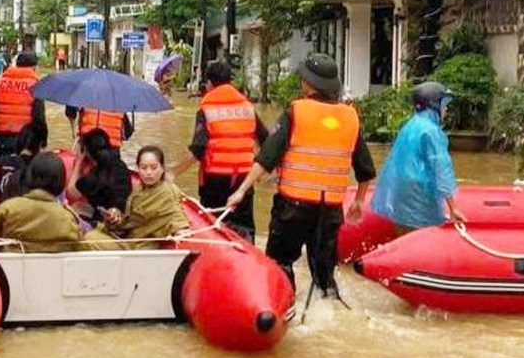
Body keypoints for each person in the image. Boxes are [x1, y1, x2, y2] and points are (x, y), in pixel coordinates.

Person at [226, 53, 376, 297]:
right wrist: (359, 201)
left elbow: (267, 158)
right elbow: (365, 170)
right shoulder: (350, 118)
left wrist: (241, 190)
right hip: (330, 211)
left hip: (293, 208)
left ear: (309, 84)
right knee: (324, 275)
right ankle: (327, 305)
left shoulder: (295, 112)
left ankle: (283, 306)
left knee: (279, 263)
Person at [169, 60, 269, 243]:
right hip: (244, 180)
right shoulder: (247, 107)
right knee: (244, 231)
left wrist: (173, 172)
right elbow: (266, 141)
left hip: (215, 181)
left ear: (209, 83)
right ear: (230, 81)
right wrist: (262, 172)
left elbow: (198, 149)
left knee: (213, 228)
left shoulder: (206, 109)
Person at [371, 82, 465, 232]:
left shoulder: (410, 125)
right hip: (419, 195)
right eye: (444, 105)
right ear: (434, 105)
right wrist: (453, 207)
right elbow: (441, 169)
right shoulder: (432, 131)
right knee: (422, 240)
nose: (446, 109)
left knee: (404, 236)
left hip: (401, 193)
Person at [84, 145, 190, 250]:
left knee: (89, 238)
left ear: (162, 168)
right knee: (86, 232)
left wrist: (181, 231)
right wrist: (115, 217)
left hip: (137, 246)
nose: (148, 173)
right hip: (124, 237)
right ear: (138, 168)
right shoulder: (139, 189)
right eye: (143, 167)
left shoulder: (167, 192)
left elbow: (175, 215)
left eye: (154, 168)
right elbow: (128, 221)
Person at [0, 50, 48, 201]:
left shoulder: (1, 82)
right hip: (27, 142)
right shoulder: (35, 85)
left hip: (3, 140)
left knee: (3, 176)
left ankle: (2, 204)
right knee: (27, 181)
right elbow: (39, 119)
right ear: (34, 67)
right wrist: (43, 142)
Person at [0, 152, 83, 253]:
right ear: (60, 181)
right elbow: (77, 246)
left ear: (30, 176)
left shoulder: (8, 209)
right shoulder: (68, 218)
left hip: (11, 261)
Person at [67, 129, 132, 226]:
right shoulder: (121, 166)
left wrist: (78, 162)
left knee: (73, 208)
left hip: (104, 221)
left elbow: (71, 193)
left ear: (87, 153)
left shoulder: (91, 180)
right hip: (123, 214)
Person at [65, 106, 134, 147]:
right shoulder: (119, 106)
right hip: (112, 153)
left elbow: (70, 110)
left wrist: (74, 130)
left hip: (87, 149)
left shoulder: (86, 97)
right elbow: (127, 133)